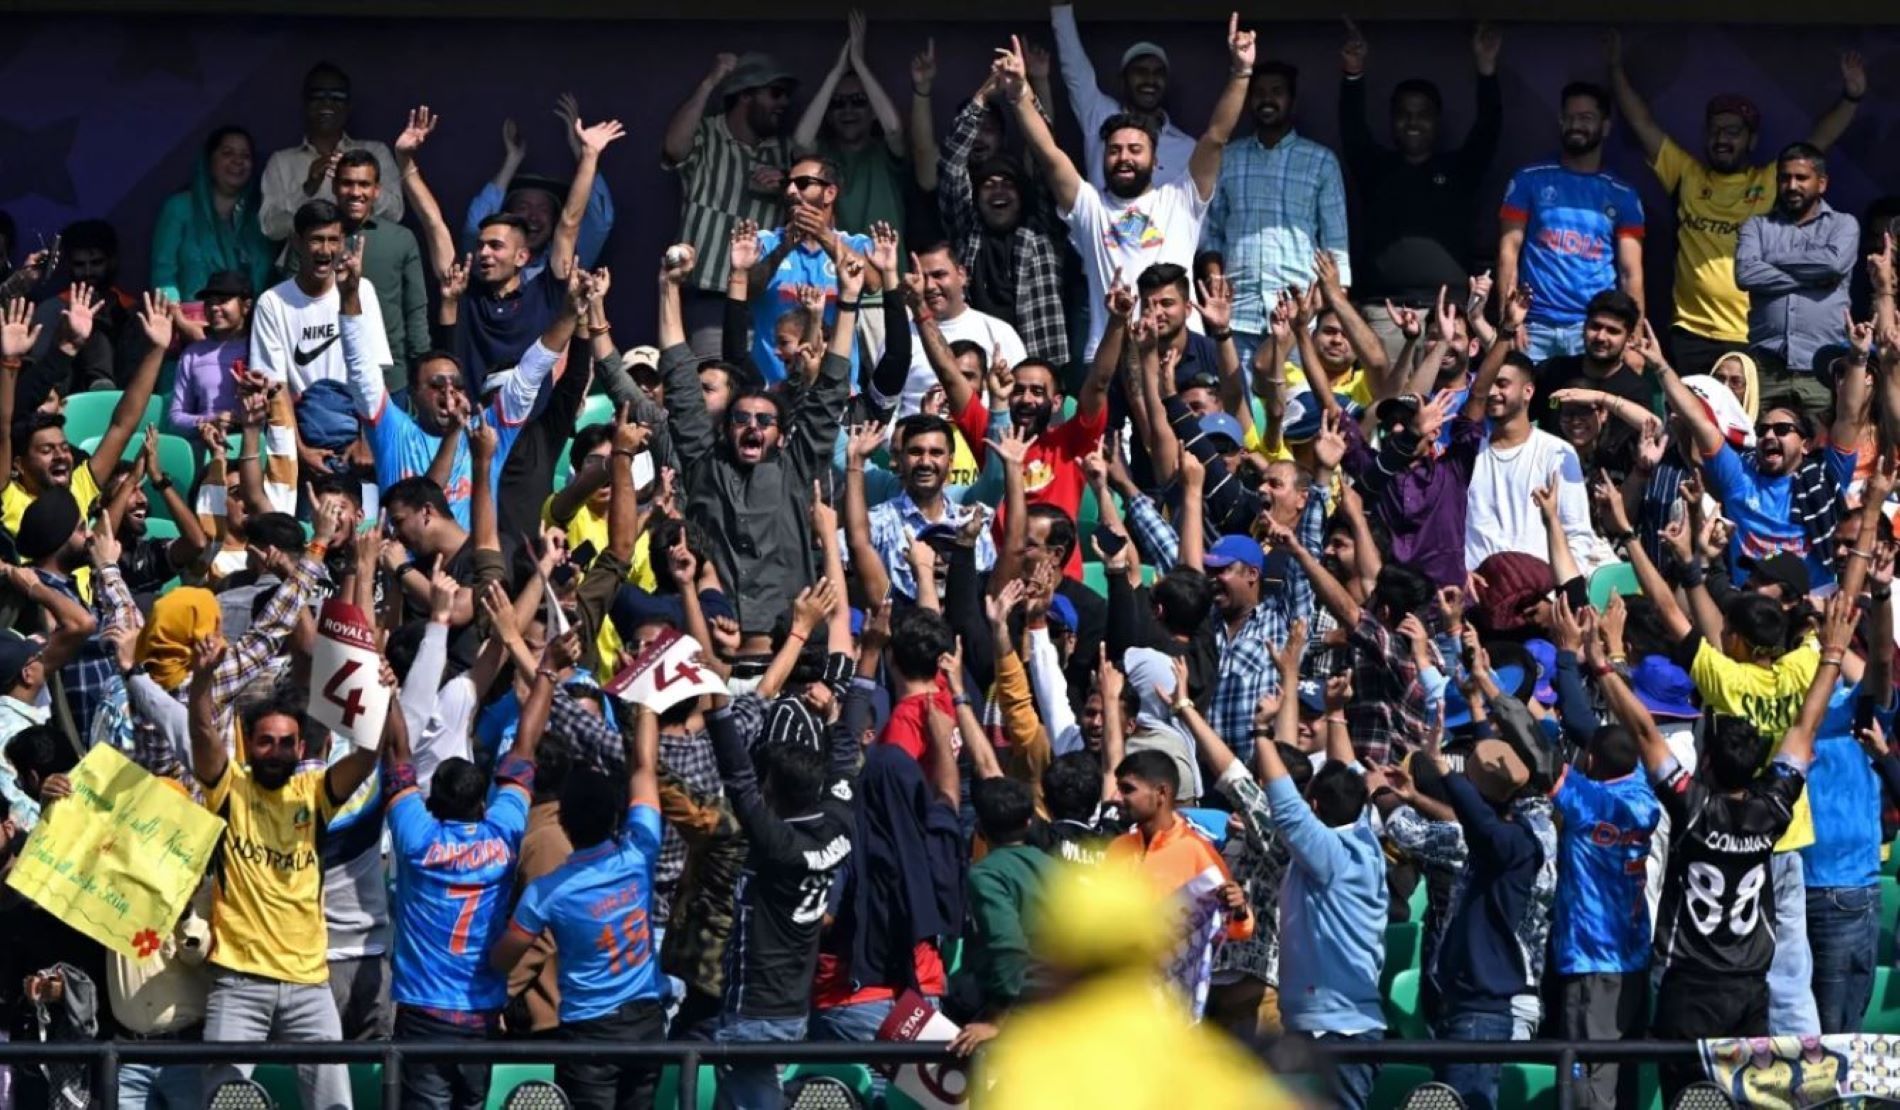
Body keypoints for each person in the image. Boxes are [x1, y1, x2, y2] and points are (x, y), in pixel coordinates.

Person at [192, 640, 384, 1110]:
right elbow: (200, 734)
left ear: (302, 747)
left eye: (285, 743)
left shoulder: (315, 791)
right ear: (248, 743)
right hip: (239, 981)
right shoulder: (229, 787)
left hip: (308, 983)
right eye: (264, 741)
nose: (275, 752)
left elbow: (365, 758)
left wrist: (378, 697)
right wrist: (201, 681)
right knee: (224, 1104)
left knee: (336, 1105)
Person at [1607, 33, 1864, 375]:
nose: (1721, 139)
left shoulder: (1770, 180)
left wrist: (1852, 96)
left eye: (1732, 131)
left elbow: (1819, 142)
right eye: (1714, 130)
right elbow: (1642, 123)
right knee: (1695, 424)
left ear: (1751, 140)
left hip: (1750, 332)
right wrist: (1614, 70)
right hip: (1691, 332)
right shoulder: (1687, 175)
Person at [999, 21, 1252, 360]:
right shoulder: (1091, 207)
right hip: (1110, 360)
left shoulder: (1180, 201)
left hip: (1181, 353)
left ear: (1155, 159)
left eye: (1135, 150)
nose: (1124, 158)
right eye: (1115, 150)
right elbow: (1048, 154)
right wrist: (1019, 96)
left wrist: (1241, 72)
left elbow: (1217, 136)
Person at [659, 242, 854, 646]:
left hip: (788, 649)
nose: (752, 426)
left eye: (765, 420)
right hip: (714, 648)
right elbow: (680, 380)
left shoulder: (796, 466)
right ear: (726, 428)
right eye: (741, 419)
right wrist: (668, 289)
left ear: (781, 434)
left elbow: (830, 390)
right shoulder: (704, 463)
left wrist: (848, 301)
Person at [492, 688, 665, 1110]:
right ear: (614, 817)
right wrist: (646, 703)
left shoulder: (545, 893)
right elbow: (644, 768)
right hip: (646, 1024)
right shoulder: (639, 851)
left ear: (564, 823)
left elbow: (503, 958)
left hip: (589, 1034)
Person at [396, 105, 616, 391]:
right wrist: (404, 161)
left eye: (496, 246)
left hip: (530, 424)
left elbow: (569, 223)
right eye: (481, 246)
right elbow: (433, 222)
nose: (484, 253)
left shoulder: (545, 290)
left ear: (522, 256)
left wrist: (589, 155)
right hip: (473, 422)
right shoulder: (466, 288)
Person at [1338, 19, 1502, 361]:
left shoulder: (1460, 170)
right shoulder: (1375, 169)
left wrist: (1487, 70)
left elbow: (1488, 130)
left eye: (1423, 114)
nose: (1413, 122)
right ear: (1392, 119)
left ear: (1438, 120)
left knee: (1446, 408)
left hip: (1448, 313)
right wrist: (1353, 74)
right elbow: (1352, 131)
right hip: (1384, 313)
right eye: (1404, 114)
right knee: (1389, 407)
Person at [1203, 57, 1351, 365]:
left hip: (1299, 320)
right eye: (1258, 93)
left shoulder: (1320, 161)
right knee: (1239, 411)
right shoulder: (1228, 158)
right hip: (1236, 315)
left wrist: (1323, 306)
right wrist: (1215, 278)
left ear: (1292, 101)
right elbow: (1211, 232)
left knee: (1297, 410)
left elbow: (1336, 247)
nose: (1267, 99)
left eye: (1277, 92)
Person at [1497, 82, 1645, 360]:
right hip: (1533, 327)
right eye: (1570, 117)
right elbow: (1509, 253)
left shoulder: (1623, 194)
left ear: (1605, 126)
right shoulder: (1529, 179)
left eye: (1586, 118)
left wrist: (1633, 337)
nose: (1576, 125)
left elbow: (1630, 273)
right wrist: (1509, 321)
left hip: (1593, 329)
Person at [936, 73, 1069, 368]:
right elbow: (951, 165)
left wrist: (1023, 94)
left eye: (1007, 183)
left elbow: (1045, 154)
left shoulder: (1041, 229)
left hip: (1036, 369)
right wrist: (981, 97)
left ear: (1022, 194)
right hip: (975, 368)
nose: (998, 190)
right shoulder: (966, 231)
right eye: (988, 184)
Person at [663, 53, 795, 343]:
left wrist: (786, 182)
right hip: (708, 295)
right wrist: (711, 82)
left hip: (761, 299)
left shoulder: (785, 149)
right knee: (710, 381)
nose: (783, 103)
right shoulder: (708, 134)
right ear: (746, 95)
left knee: (758, 387)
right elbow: (674, 147)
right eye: (775, 93)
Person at [1463, 301, 1599, 574]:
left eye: (1502, 384)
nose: (1492, 393)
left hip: (1539, 593)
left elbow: (1578, 536)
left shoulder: (1557, 453)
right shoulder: (1467, 452)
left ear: (1527, 392)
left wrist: (1556, 597)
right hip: (1474, 596)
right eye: (1488, 384)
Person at [1734, 143, 1860, 420]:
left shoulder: (1844, 225)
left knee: (1823, 451)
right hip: (1767, 369)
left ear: (1822, 183)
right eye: (1784, 177)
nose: (1791, 185)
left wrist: (1771, 259)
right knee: (1761, 451)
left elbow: (1833, 263)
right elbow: (1746, 274)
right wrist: (1813, 279)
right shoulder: (1757, 226)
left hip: (1821, 369)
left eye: (1801, 178)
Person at [463, 93, 616, 281]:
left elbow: (601, 220)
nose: (533, 217)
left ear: (554, 219)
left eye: (543, 209)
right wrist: (512, 160)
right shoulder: (489, 258)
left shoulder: (568, 261)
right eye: (523, 207)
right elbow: (475, 226)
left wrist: (584, 152)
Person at [248, 199, 391, 398]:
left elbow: (374, 377)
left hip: (354, 419)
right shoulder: (272, 302)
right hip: (301, 421)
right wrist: (293, 429)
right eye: (316, 240)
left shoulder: (362, 290)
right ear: (297, 242)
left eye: (333, 240)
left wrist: (349, 296)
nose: (325, 250)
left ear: (343, 242)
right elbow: (274, 389)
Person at [1047, 3, 1197, 191]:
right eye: (1140, 71)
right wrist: (1061, 9)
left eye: (1158, 73)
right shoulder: (1101, 115)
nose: (1150, 79)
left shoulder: (1187, 147)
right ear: (1123, 79)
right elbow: (1075, 70)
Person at [791, 12, 909, 243]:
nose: (848, 110)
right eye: (837, 103)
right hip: (833, 271)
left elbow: (894, 129)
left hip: (885, 271)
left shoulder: (884, 153)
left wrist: (858, 63)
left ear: (872, 111)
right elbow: (801, 142)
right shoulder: (823, 157)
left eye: (858, 101)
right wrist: (837, 71)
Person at [874, 240, 1026, 418]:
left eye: (939, 274)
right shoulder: (899, 338)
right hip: (917, 441)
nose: (930, 286)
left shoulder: (999, 333)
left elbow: (1020, 398)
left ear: (962, 275)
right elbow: (884, 406)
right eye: (922, 278)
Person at [258, 62, 402, 242]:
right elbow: (270, 228)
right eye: (317, 96)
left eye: (337, 96)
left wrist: (360, 184)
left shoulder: (375, 152)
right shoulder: (281, 162)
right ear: (305, 103)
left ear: (348, 105)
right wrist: (306, 191)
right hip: (305, 265)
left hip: (367, 259)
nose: (327, 103)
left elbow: (395, 214)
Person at [149, 125, 275, 305]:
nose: (237, 161)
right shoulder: (179, 208)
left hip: (250, 324)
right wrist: (180, 320)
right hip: (188, 322)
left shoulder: (261, 214)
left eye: (245, 156)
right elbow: (163, 275)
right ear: (209, 160)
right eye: (227, 153)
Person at [165, 270, 252, 439]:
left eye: (222, 301)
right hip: (205, 451)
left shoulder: (259, 349)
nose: (213, 308)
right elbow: (175, 420)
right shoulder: (192, 354)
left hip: (253, 448)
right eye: (209, 302)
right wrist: (209, 421)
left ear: (246, 306)